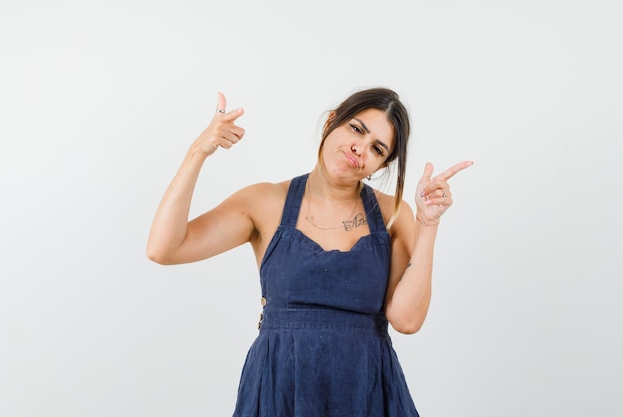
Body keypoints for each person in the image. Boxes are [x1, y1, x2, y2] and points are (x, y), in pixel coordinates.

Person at [147, 87, 473, 416]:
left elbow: (406, 320)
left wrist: (428, 224)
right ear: (332, 121)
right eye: (356, 129)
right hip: (280, 388)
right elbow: (164, 248)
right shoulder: (264, 202)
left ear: (381, 164)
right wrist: (198, 152)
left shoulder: (394, 215)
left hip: (367, 392)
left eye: (377, 148)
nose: (359, 148)